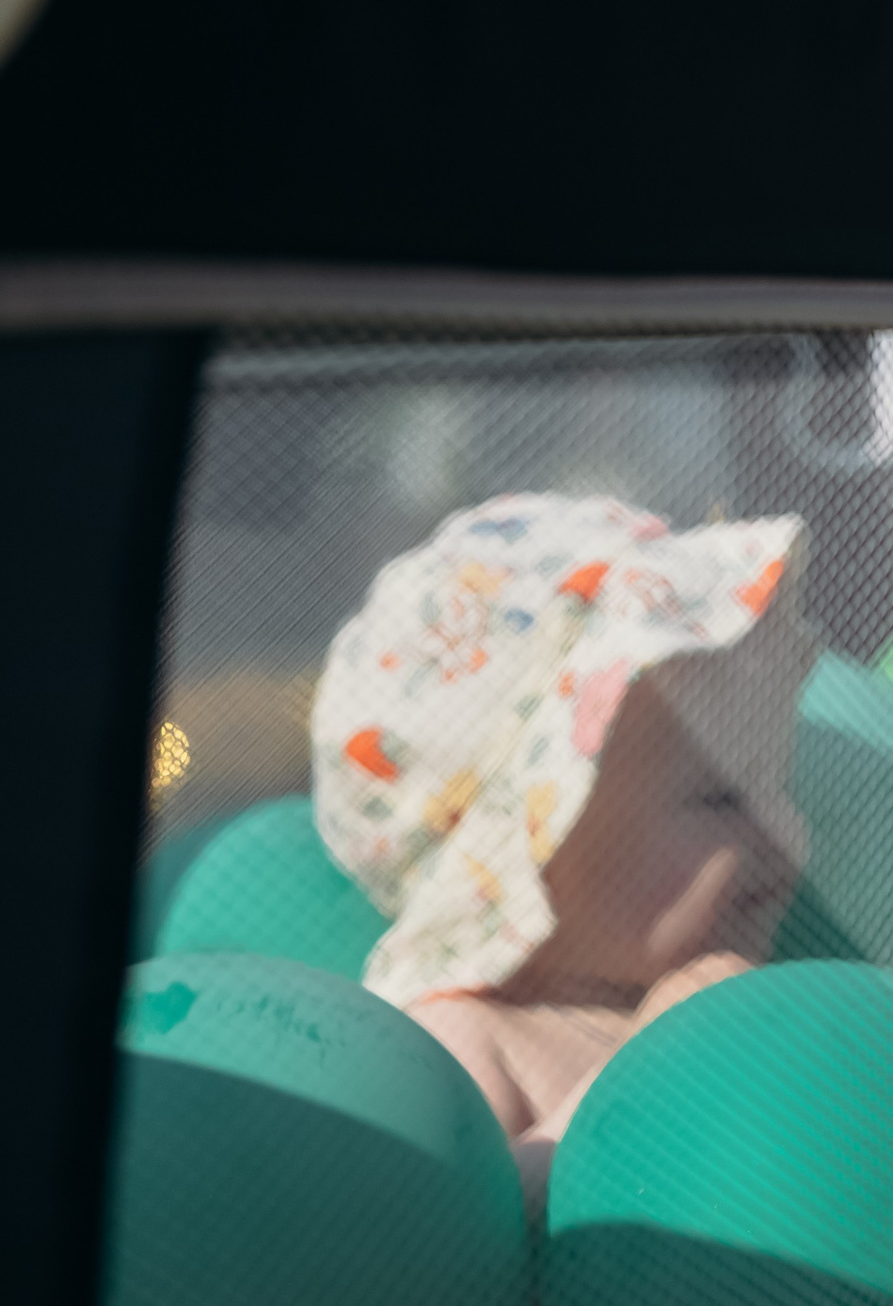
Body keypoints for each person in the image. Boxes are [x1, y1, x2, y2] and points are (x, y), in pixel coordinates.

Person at [309, 492, 813, 1201]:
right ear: (534, 852)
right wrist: (657, 1063)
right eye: (721, 798)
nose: (787, 836)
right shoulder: (467, 1040)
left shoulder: (760, 984)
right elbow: (454, 1244)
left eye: (776, 784)